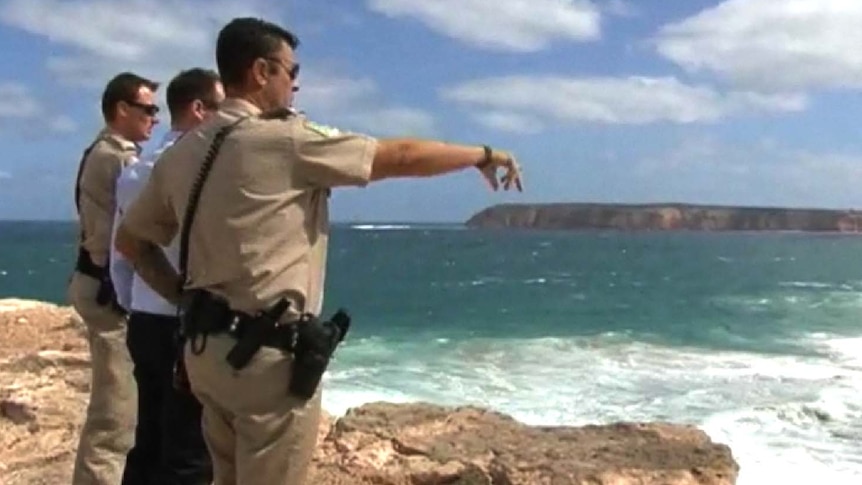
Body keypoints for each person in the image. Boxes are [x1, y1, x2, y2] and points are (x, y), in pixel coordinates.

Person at [114, 16, 523, 485]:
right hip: (264, 364)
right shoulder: (285, 140)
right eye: (292, 72)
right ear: (262, 71)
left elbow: (131, 242)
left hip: (204, 352)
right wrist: (485, 154)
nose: (295, 86)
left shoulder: (181, 153)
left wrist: (183, 297)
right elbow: (401, 157)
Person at [109, 68, 224, 485]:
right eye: (223, 108)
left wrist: (133, 304)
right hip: (187, 320)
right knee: (190, 453)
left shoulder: (135, 171)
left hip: (144, 315)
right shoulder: (203, 172)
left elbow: (120, 254)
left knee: (149, 441)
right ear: (199, 109)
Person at [69, 72, 160, 485]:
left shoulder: (105, 151)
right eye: (148, 109)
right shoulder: (119, 158)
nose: (155, 119)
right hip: (107, 293)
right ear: (122, 110)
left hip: (97, 285)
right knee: (116, 415)